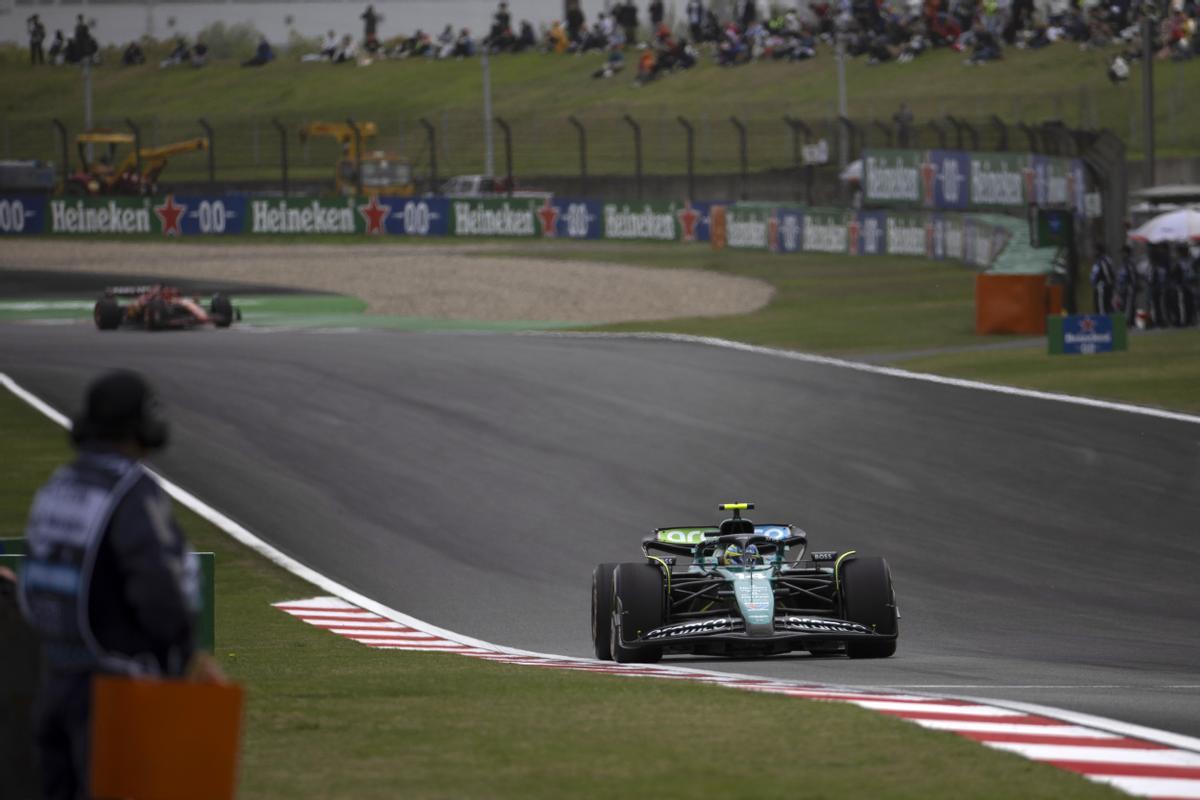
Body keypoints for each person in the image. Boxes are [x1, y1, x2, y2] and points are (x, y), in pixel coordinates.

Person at [20, 370, 223, 800]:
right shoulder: (132, 493)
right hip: (117, 690)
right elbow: (159, 589)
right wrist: (182, 655)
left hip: (53, 678)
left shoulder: (56, 487)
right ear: (137, 425)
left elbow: (31, 581)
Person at [1090, 243, 1115, 314]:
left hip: (1102, 287)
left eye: (1095, 250)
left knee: (1102, 307)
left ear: (1098, 251)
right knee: (1100, 306)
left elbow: (1107, 273)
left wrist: (1108, 284)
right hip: (1099, 287)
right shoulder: (1100, 260)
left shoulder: (1103, 260)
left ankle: (1103, 321)